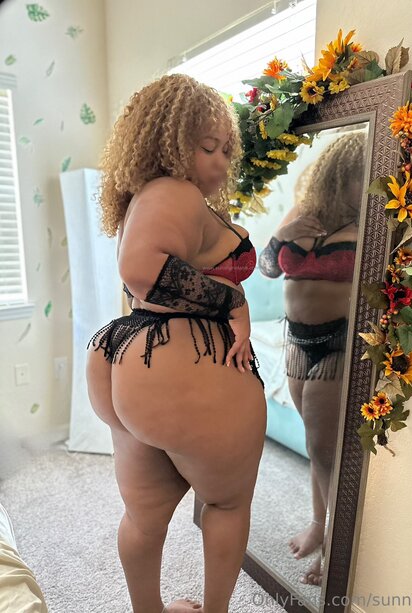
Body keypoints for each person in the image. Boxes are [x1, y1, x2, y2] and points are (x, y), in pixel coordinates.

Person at [85, 73, 267, 613]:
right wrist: (231, 301)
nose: (221, 162)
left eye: (226, 149)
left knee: (144, 517)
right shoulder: (175, 191)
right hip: (179, 363)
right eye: (208, 147)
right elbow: (142, 270)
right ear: (166, 143)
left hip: (131, 360)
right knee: (227, 503)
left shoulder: (145, 198)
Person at [258, 132, 366, 586]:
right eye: (360, 176)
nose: (368, 183)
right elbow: (267, 267)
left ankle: (334, 547)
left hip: (339, 341)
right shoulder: (306, 214)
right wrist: (281, 237)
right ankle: (318, 524)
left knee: (325, 449)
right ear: (339, 176)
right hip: (297, 340)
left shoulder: (372, 221)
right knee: (315, 444)